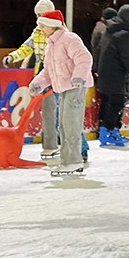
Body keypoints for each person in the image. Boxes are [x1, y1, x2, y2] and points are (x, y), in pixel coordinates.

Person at [27, 10, 94, 176]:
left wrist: (78, 77)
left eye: (43, 25)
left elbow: (84, 58)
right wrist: (37, 84)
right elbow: (48, 71)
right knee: (63, 126)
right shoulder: (51, 46)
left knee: (71, 125)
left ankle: (73, 161)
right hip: (63, 89)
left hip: (75, 88)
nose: (41, 29)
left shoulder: (69, 39)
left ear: (53, 25)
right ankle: (67, 161)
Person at [3, 0, 59, 159]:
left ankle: (77, 147)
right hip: (44, 76)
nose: (40, 18)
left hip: (60, 75)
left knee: (65, 113)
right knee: (48, 111)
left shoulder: (61, 32)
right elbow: (26, 48)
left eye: (43, 14)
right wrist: (12, 57)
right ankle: (50, 146)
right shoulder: (37, 32)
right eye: (38, 15)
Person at [96, 4, 129, 146]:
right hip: (115, 75)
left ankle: (109, 131)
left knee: (107, 103)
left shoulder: (109, 31)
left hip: (104, 73)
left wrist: (97, 68)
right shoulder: (123, 35)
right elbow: (126, 58)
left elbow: (99, 51)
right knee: (116, 103)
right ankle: (108, 132)